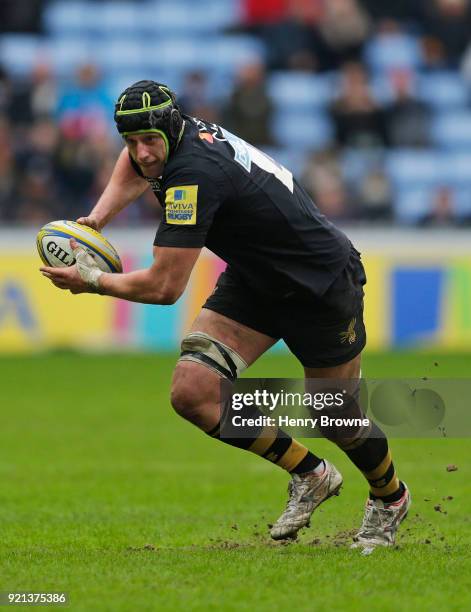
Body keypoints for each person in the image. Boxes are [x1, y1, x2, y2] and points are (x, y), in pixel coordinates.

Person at [40, 80, 410, 553]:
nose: (142, 152)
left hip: (319, 283)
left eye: (149, 140)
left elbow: (164, 286)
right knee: (193, 392)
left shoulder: (194, 174)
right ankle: (310, 473)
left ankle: (390, 497)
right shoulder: (172, 136)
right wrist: (97, 220)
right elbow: (136, 164)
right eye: (130, 141)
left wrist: (89, 281)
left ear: (171, 129)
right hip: (256, 279)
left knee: (334, 412)